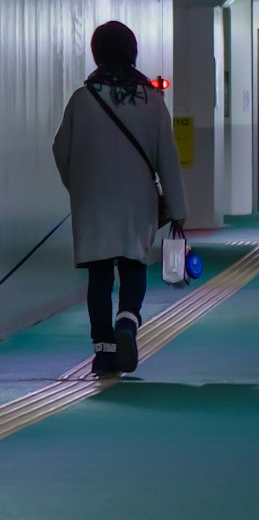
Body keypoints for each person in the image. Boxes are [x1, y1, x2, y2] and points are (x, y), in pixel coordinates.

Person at [52, 21, 188, 375]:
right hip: (136, 199)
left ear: (97, 53)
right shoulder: (150, 100)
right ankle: (127, 322)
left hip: (93, 200)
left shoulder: (82, 99)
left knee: (99, 274)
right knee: (132, 265)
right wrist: (177, 207)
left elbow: (60, 149)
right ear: (132, 52)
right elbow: (167, 157)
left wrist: (77, 187)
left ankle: (103, 351)